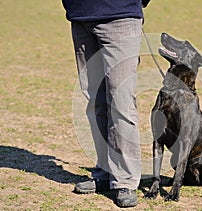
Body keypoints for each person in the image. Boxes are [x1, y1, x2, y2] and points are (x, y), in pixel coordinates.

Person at [62, 0, 151, 208]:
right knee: (95, 101)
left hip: (120, 15)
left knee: (121, 102)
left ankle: (125, 180)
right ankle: (104, 171)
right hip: (81, 16)